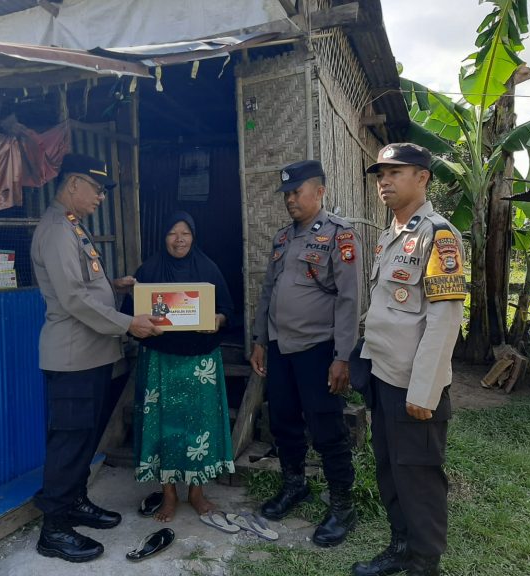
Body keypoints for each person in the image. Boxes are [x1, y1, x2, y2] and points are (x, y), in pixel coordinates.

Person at [30, 153, 162, 563]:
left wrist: (113, 286)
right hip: (73, 358)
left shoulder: (73, 226)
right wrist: (128, 323)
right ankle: (53, 529)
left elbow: (82, 285)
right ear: (73, 184)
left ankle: (74, 501)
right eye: (97, 189)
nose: (101, 198)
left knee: (85, 438)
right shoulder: (56, 230)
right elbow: (72, 298)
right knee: (69, 442)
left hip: (91, 356)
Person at [351, 143, 465, 576]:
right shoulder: (390, 235)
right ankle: (401, 546)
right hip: (385, 377)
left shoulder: (439, 235)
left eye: (395, 172)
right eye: (381, 174)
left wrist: (424, 391)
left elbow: (444, 320)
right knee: (389, 469)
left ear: (422, 177)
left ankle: (424, 563)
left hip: (413, 386)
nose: (384, 181)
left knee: (418, 476)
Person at [250, 159, 362, 547]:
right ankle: (295, 485)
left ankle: (342, 505)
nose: (290, 200)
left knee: (327, 428)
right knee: (283, 422)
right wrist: (259, 339)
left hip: (318, 349)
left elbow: (349, 299)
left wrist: (343, 356)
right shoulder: (283, 238)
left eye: (297, 192)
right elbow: (268, 291)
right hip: (280, 347)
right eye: (287, 194)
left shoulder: (339, 235)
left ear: (320, 191)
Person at [126, 211, 235, 522]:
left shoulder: (208, 268)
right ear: (164, 237)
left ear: (193, 236)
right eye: (172, 233)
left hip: (200, 361)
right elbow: (129, 314)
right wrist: (142, 325)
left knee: (199, 425)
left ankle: (196, 492)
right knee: (162, 426)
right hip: (160, 360)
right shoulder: (149, 270)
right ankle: (169, 494)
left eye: (185, 233)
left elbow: (227, 309)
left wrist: (217, 319)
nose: (179, 239)